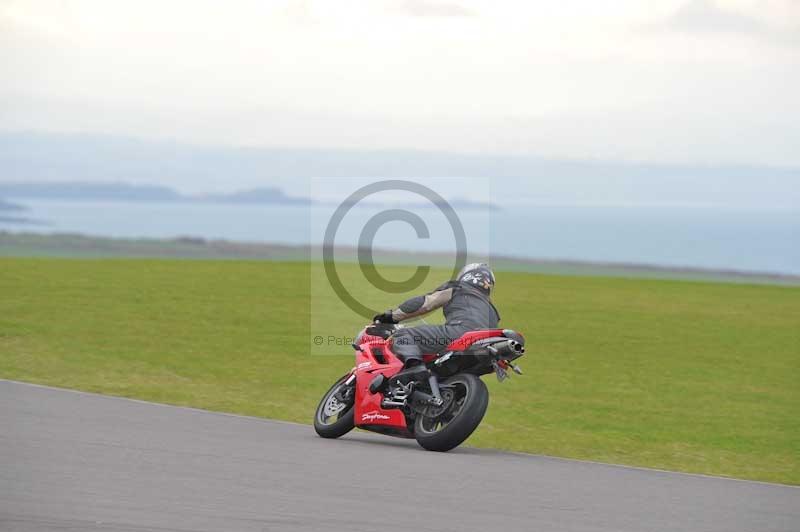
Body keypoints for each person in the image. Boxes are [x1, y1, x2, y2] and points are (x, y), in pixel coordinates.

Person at [372, 263, 500, 379]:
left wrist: (391, 316)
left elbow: (425, 303)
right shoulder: (493, 310)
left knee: (403, 335)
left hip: (460, 333)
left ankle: (414, 368)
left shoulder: (458, 287)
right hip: (485, 347)